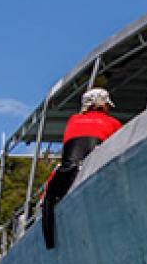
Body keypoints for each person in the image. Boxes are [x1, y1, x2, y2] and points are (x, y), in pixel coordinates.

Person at [41, 86, 122, 249]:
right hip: (95, 172)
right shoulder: (114, 123)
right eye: (106, 105)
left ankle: (50, 243)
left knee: (48, 198)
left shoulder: (73, 121)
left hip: (67, 175)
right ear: (102, 106)